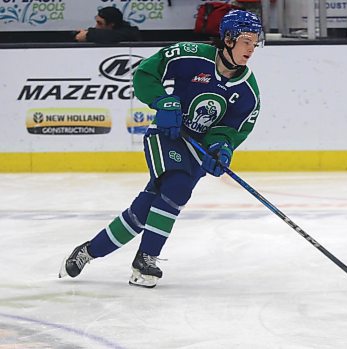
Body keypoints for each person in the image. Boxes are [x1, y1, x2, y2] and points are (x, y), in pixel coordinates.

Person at [59, 10, 263, 288]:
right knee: (177, 187)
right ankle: (146, 258)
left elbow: (234, 128)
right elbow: (146, 72)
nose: (251, 49)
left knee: (145, 208)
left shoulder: (248, 90)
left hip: (196, 149)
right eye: (246, 41)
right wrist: (161, 101)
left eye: (255, 42)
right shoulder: (191, 54)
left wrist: (221, 147)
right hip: (167, 134)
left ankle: (89, 251)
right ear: (228, 39)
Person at [74, 6, 141, 43]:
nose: (96, 26)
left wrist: (88, 35)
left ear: (111, 24)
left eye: (100, 23)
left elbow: (112, 36)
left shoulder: (129, 33)